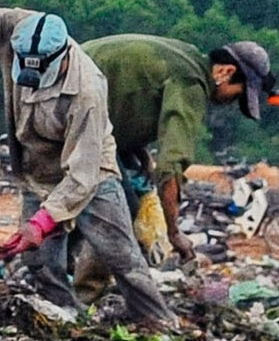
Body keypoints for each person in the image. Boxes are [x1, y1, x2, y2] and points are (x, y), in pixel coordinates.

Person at [0, 0, 175, 327]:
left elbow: (82, 174)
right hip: (38, 172)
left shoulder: (87, 90)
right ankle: (67, 320)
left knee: (121, 257)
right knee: (40, 263)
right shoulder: (16, 27)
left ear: (63, 56)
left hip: (92, 173)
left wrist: (41, 222)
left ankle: (160, 323)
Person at [82, 33, 273, 261]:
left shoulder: (186, 56)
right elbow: (170, 165)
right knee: (121, 209)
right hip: (70, 116)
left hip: (71, 103)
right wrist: (174, 232)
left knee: (106, 201)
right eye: (237, 95)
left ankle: (65, 273)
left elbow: (125, 96)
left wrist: (135, 147)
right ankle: (80, 287)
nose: (231, 102)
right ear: (226, 72)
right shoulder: (191, 84)